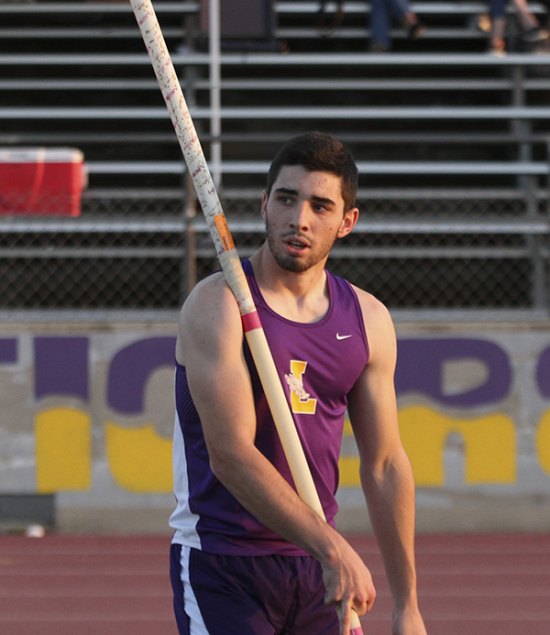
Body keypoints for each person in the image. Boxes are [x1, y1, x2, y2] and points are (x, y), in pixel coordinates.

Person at [169, 131, 427, 635]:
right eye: (286, 199)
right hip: (223, 562)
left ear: (347, 222)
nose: (299, 219)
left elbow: (386, 465)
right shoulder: (218, 305)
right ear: (265, 205)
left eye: (320, 206)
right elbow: (231, 455)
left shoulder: (368, 320)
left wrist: (407, 605)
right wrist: (333, 547)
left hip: (316, 575)